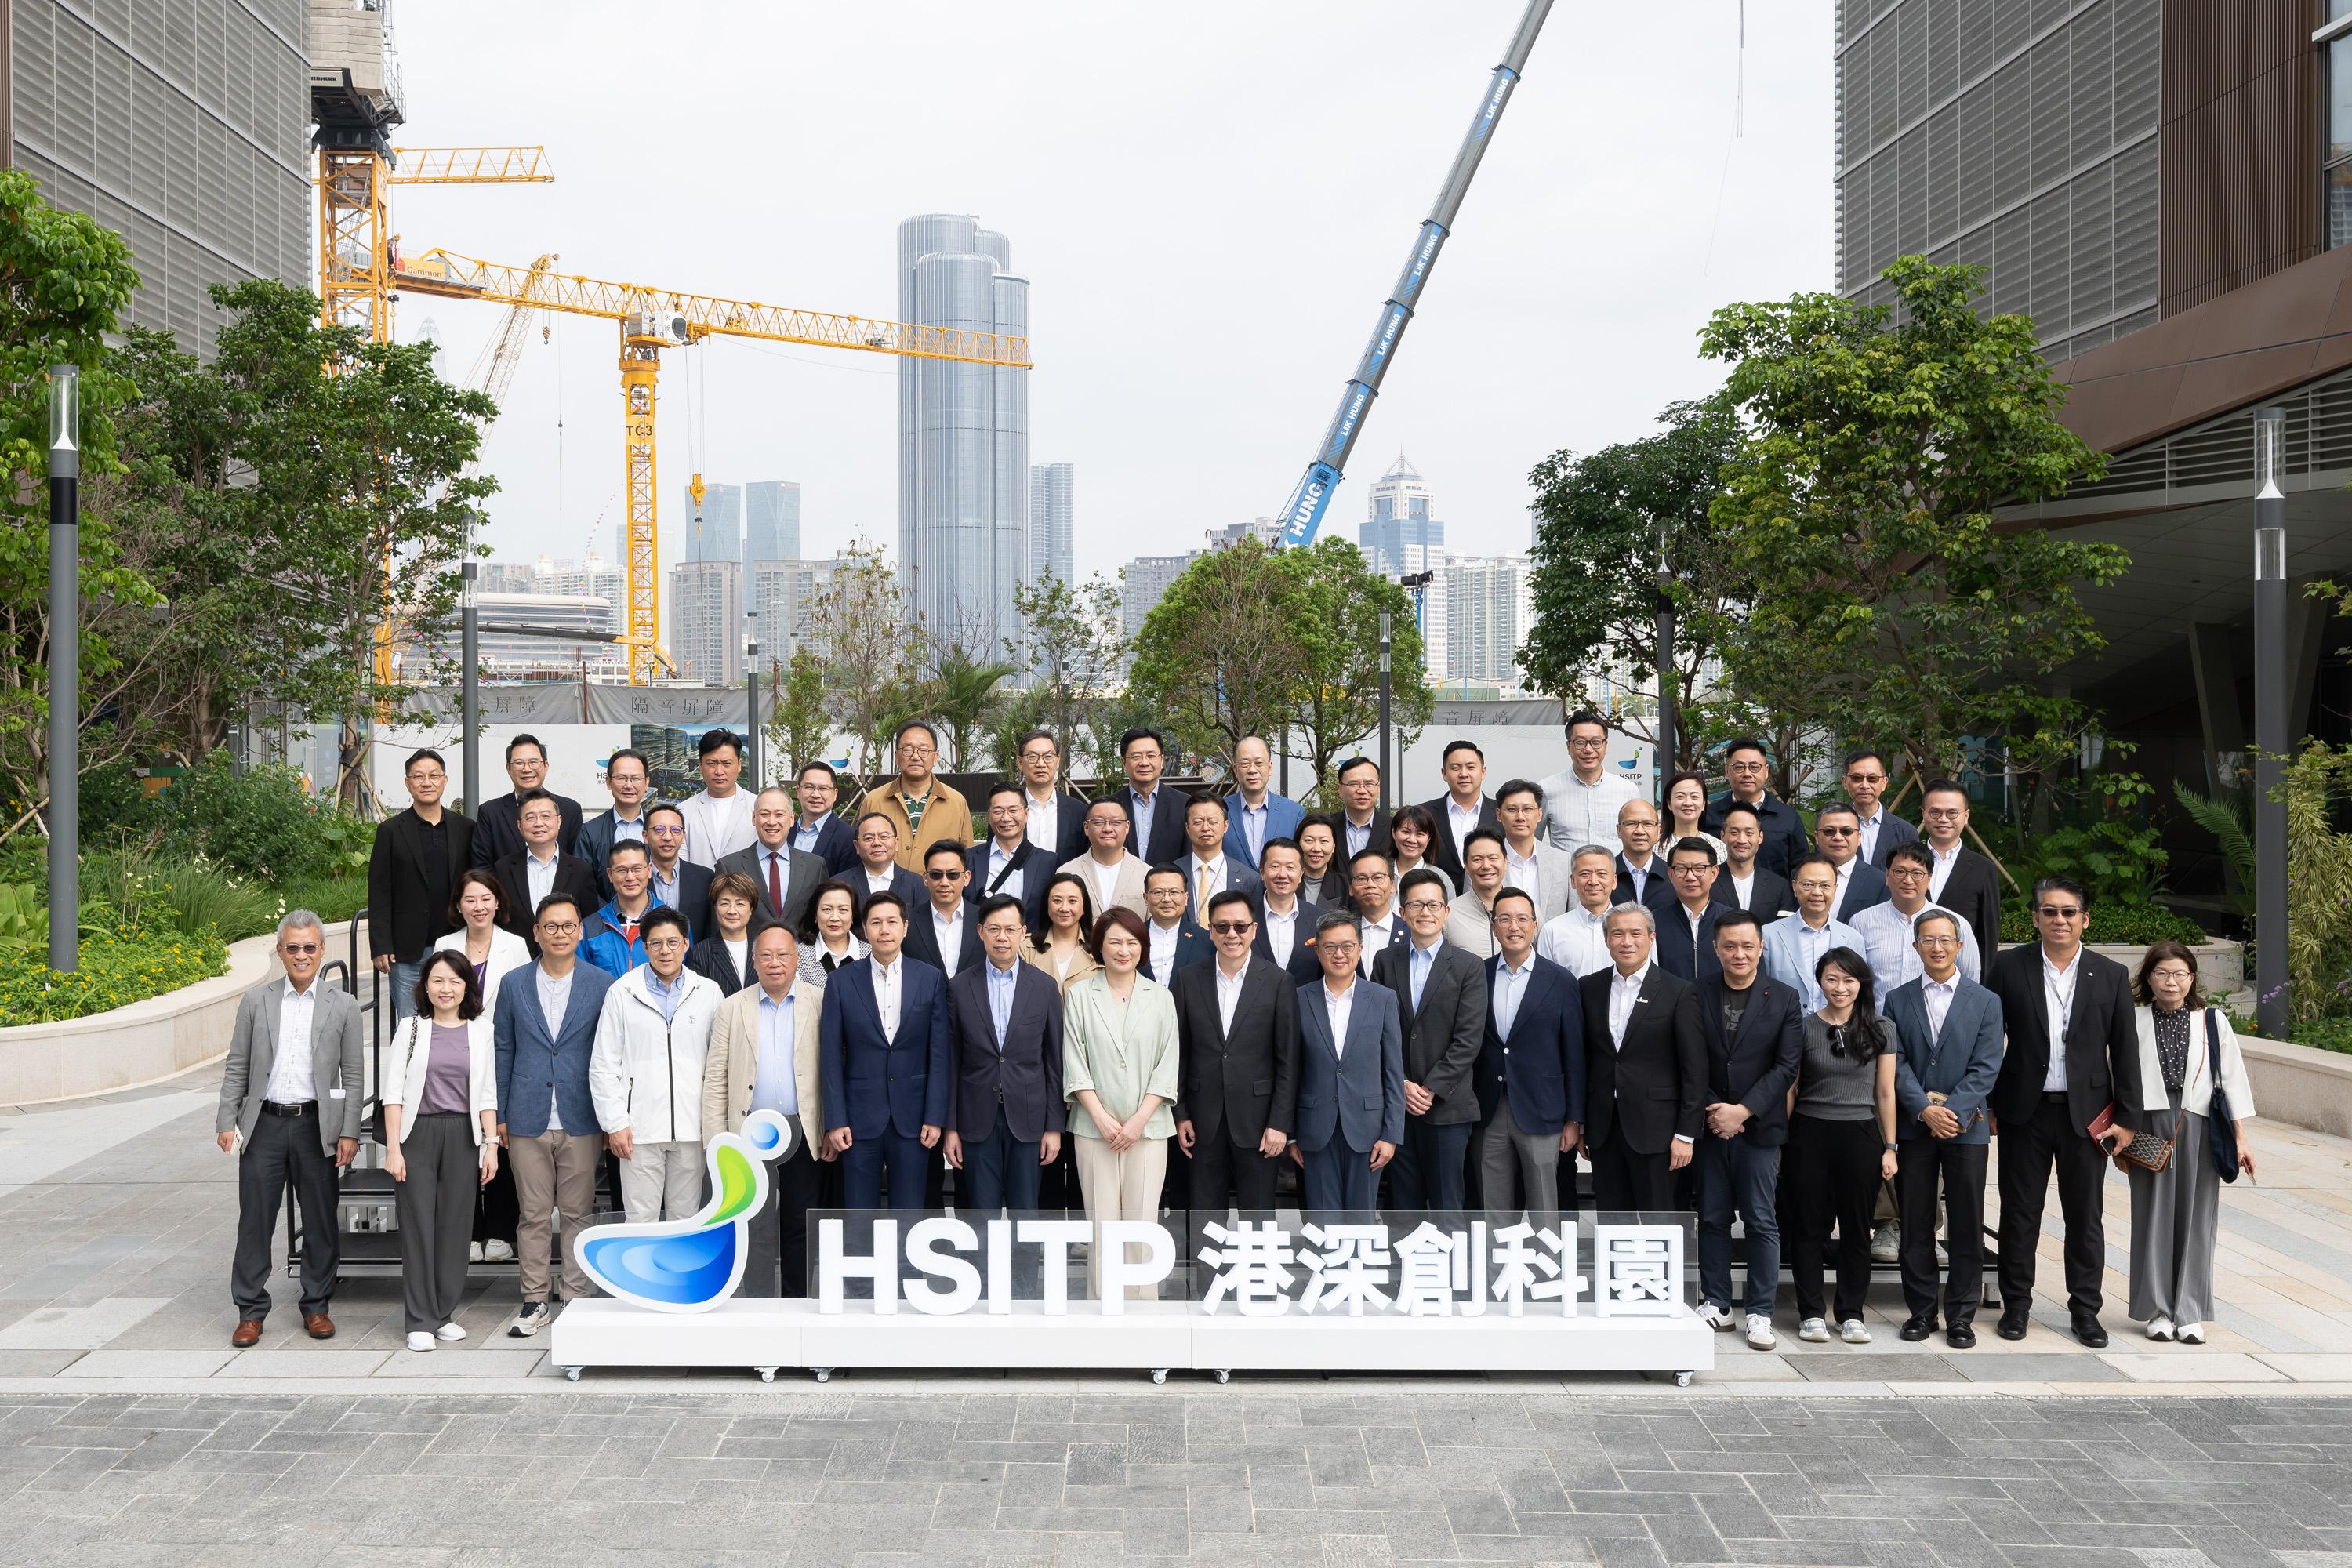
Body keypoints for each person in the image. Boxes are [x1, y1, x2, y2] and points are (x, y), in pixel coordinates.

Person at [1987, 873, 2141, 1347]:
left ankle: (2085, 1311)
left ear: (2084, 920)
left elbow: (2126, 1049)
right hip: (2023, 1110)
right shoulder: (2008, 967)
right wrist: (1989, 1103)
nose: (2059, 919)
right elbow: (1990, 1040)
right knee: (2019, 1213)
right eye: (2049, 911)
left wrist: (2128, 1119)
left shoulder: (2110, 974)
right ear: (2035, 918)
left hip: (2087, 1116)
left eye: (2068, 912)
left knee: (2084, 1215)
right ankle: (2016, 1307)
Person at [217, 911, 363, 1348]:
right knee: (255, 1221)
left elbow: (353, 1074)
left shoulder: (345, 1005)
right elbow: (237, 1066)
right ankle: (250, 1310)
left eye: (310, 947)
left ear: (323, 951)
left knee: (320, 1220)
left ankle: (316, 1305)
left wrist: (350, 1131)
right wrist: (227, 1121)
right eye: (293, 947)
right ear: (279, 951)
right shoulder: (255, 1002)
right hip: (263, 1126)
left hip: (316, 1127)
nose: (301, 955)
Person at [492, 891, 615, 1338]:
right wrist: (501, 1113)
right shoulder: (513, 983)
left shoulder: (602, 984)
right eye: (551, 926)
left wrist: (608, 1116)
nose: (560, 934)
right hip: (527, 1116)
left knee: (580, 1212)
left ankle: (577, 1297)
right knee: (534, 1213)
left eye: (568, 926)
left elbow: (610, 1054)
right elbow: (502, 1047)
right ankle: (534, 1299)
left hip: (582, 1115)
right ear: (536, 933)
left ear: (580, 932)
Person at [2125, 941, 2257, 1345]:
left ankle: (2188, 1311)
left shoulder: (2212, 1021)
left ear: (2192, 978)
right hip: (2147, 1122)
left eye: (2181, 973)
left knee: (2198, 1216)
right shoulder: (2133, 1020)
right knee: (2152, 1215)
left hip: (2199, 1123)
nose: (2172, 981)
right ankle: (2158, 1311)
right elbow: (2118, 1077)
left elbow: (2230, 1081)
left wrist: (2241, 1139)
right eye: (2163, 973)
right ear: (2149, 977)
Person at [1886, 909, 2003, 1348]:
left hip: (1967, 1128)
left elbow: (1988, 1065)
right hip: (1916, 1128)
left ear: (1959, 946)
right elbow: (1894, 1062)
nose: (1937, 947)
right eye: (1927, 940)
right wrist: (1923, 1109)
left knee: (1967, 1221)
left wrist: (1951, 1111)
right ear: (1915, 947)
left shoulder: (1986, 1000)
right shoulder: (1897, 999)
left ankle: (1961, 1315)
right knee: (1915, 1221)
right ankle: (1920, 1311)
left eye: (1945, 940)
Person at [1691, 910, 1803, 1352]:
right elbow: (1688, 1059)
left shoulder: (1785, 998)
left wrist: (1743, 1111)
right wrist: (1715, 1110)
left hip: (1758, 1130)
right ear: (1716, 949)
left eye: (1747, 945)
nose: (1739, 954)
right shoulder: (1695, 993)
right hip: (1709, 1126)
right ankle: (1717, 1303)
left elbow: (1786, 1066)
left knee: (1761, 1221)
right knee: (1713, 1218)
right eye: (1729, 946)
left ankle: (1759, 1312)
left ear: (1761, 947)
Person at [381, 952, 500, 1352]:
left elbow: (487, 1093)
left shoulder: (482, 1030)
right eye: (437, 981)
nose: (445, 989)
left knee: (454, 1228)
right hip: (418, 1134)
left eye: (453, 981)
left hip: (463, 1136)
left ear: (466, 985)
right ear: (425, 987)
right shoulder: (411, 1027)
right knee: (418, 1229)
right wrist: (394, 1149)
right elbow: (393, 1092)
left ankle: (442, 1313)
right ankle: (418, 1319)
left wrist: (491, 1146)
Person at [701, 924, 826, 1297]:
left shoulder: (820, 1001)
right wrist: (716, 1141)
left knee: (799, 1222)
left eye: (783, 955)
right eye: (766, 955)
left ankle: (796, 1302)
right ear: (754, 961)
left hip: (802, 1130)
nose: (775, 963)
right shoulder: (732, 1007)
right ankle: (755, 1304)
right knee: (753, 1223)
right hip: (748, 1134)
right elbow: (716, 1079)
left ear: (797, 959)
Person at [1784, 946, 1899, 1346]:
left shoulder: (1881, 1028)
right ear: (1820, 981)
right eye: (1832, 978)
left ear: (1861, 983)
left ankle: (1851, 1313)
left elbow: (1886, 1092)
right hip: (1809, 1134)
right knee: (1809, 1227)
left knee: (1855, 1229)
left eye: (1849, 979)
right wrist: (1783, 1142)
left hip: (1861, 1135)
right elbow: (1791, 1089)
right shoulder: (1802, 1026)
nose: (1840, 987)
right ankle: (1811, 1312)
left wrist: (1890, 1146)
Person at [1062, 907, 1181, 1294]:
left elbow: (1168, 1064)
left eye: (1132, 941)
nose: (1123, 949)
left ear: (1142, 948)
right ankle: (1105, 1313)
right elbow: (1074, 1059)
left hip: (1147, 1130)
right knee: (1102, 1224)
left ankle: (1146, 1313)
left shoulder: (1161, 997)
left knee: (1143, 1223)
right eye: (1114, 941)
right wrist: (1100, 1116)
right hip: (1093, 1128)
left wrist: (1136, 1121)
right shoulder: (1080, 995)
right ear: (1099, 946)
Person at [818, 891, 949, 1209]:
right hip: (858, 1119)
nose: (884, 930)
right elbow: (831, 1056)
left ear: (905, 928)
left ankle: (905, 1263)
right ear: (864, 929)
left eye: (892, 922)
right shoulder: (840, 981)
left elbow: (939, 1053)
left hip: (914, 1118)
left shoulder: (930, 979)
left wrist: (935, 1116)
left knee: (909, 1214)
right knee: (859, 1216)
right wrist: (835, 1120)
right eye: (876, 923)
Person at [590, 906, 722, 1222]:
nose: (666, 951)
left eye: (673, 942)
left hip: (693, 1130)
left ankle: (680, 1276)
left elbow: (719, 1066)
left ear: (687, 944)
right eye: (657, 943)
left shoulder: (708, 992)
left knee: (686, 1221)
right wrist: (615, 1124)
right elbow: (604, 1064)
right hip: (639, 1131)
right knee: (640, 1222)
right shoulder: (622, 992)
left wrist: (714, 1125)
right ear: (644, 946)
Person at [1174, 890, 1300, 1213]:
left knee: (1258, 1214)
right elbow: (1180, 1053)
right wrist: (1181, 1113)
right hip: (1203, 1118)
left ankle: (1255, 1267)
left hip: (1260, 1122)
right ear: (1211, 930)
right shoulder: (1188, 979)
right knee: (1204, 1212)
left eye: (1241, 927)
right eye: (1223, 926)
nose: (1232, 934)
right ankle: (1207, 1268)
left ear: (1254, 930)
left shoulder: (1278, 982)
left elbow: (1288, 1061)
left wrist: (1280, 1123)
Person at [944, 895, 1068, 1214]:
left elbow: (1054, 1062)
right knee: (980, 1212)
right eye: (994, 929)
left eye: (1011, 930)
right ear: (980, 931)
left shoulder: (1043, 986)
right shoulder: (959, 987)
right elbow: (951, 1061)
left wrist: (1054, 1127)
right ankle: (982, 1267)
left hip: (1029, 1117)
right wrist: (951, 1128)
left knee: (1025, 1211)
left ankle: (1024, 1269)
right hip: (975, 1117)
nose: (1002, 938)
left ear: (1023, 932)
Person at [1577, 904, 1705, 1213]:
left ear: (1651, 938)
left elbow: (1695, 1069)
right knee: (1611, 1219)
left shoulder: (1678, 991)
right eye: (1617, 933)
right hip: (1605, 1127)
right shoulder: (1588, 987)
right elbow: (1585, 1060)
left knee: (1658, 1220)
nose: (1627, 941)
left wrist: (1686, 1134)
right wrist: (1582, 1125)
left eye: (1636, 933)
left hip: (1658, 1131)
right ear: (1606, 939)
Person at [1374, 869, 1489, 1214]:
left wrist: (1430, 1089)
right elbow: (1380, 1031)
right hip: (1399, 1106)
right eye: (1416, 904)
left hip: (1448, 1107)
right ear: (1403, 911)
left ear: (1446, 911)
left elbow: (1468, 1040)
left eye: (1434, 904)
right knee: (1402, 1203)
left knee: (1447, 1204)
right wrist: (1403, 1084)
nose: (1426, 912)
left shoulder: (1469, 966)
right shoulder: (1385, 961)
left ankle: (1450, 1267)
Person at [434, 868, 531, 1265]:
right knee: (463, 1142)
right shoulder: (444, 943)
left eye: (486, 898)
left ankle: (501, 1230)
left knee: (500, 1139)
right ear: (459, 905)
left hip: (501, 1054)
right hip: (455, 1056)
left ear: (498, 902)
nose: (479, 906)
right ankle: (469, 1230)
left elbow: (525, 1002)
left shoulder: (517, 945)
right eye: (470, 899)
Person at [1472, 890, 1584, 1229]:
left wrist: (1574, 1119)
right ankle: (1495, 1278)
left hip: (1542, 1109)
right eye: (1504, 918)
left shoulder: (1560, 980)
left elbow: (1574, 1053)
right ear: (1494, 927)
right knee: (1493, 1206)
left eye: (1522, 918)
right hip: (1489, 1108)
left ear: (1535, 925)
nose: (1513, 926)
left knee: (1544, 1207)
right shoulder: (1479, 974)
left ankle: (1546, 1277)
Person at [1292, 911, 1404, 1216]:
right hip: (1315, 1128)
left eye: (1347, 946)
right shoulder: (1298, 998)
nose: (1338, 954)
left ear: (1360, 949)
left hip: (1368, 1130)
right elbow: (1290, 1071)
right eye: (1329, 947)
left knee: (1361, 1221)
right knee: (1321, 1221)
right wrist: (1290, 1133)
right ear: (1317, 951)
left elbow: (1393, 1071)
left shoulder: (1382, 998)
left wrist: (1391, 1134)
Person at [371, 747, 474, 1023]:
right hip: (406, 952)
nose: (426, 782)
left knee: (456, 1021)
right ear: (408, 782)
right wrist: (381, 944)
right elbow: (380, 891)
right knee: (409, 1026)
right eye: (418, 776)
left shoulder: (465, 828)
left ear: (445, 780)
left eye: (433, 775)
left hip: (455, 943)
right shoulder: (391, 831)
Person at [1849, 842, 1984, 995]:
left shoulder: (1956, 923)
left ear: (1929, 879)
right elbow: (1853, 978)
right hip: (1880, 1018)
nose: (1908, 880)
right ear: (1887, 876)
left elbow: (1970, 980)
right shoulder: (1861, 922)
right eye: (1900, 872)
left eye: (1917, 873)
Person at [492, 788, 599, 952]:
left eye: (545, 816)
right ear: (519, 826)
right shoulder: (503, 869)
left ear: (559, 821)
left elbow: (589, 921)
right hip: (515, 961)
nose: (538, 823)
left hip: (566, 962)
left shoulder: (580, 870)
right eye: (530, 818)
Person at [713, 785, 827, 934]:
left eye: (779, 814)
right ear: (754, 818)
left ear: (792, 818)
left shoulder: (815, 866)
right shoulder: (729, 866)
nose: (772, 822)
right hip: (748, 955)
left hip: (802, 954)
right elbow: (718, 926)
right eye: (765, 814)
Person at [1761, 856, 1868, 1014]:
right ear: (1795, 887)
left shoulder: (1853, 938)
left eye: (1825, 885)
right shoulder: (1769, 935)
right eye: (1808, 885)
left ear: (1835, 889)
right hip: (1785, 1030)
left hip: (1836, 1032)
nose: (1817, 892)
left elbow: (1860, 993)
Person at [865, 719, 972, 871]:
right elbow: (861, 851)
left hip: (937, 892)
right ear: (897, 756)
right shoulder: (873, 800)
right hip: (885, 894)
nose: (915, 756)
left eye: (923, 750)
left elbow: (967, 857)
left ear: (935, 757)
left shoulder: (957, 802)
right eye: (907, 750)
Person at [1699, 738, 1811, 878]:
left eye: (1754, 767)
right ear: (1727, 771)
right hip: (1721, 899)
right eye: (1739, 767)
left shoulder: (1788, 817)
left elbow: (1800, 868)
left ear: (1766, 771)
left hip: (1775, 899)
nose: (1747, 774)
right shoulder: (1709, 816)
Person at [470, 734, 584, 868]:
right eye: (519, 763)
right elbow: (481, 866)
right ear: (508, 768)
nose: (527, 769)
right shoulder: (490, 812)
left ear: (546, 766)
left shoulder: (570, 809)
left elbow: (577, 865)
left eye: (533, 762)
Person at [1918, 779, 2002, 956]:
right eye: (1935, 813)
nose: (1943, 819)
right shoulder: (1907, 863)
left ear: (1966, 816)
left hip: (1962, 974)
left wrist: (1983, 982)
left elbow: (1988, 933)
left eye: (1952, 813)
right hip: (1909, 972)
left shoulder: (1984, 869)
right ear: (1924, 814)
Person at [1538, 708, 1639, 851]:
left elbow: (1636, 840)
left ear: (1605, 746)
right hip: (1565, 874)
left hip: (1614, 874)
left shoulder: (1627, 790)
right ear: (1568, 746)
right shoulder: (1546, 789)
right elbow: (1533, 841)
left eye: (1596, 742)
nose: (1588, 750)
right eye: (1580, 742)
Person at [970, 780, 1052, 929]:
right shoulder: (969, 859)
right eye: (998, 811)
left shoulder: (1048, 862)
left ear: (1026, 813)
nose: (1006, 818)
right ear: (989, 815)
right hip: (980, 947)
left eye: (1013, 810)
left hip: (1029, 948)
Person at [576, 747, 655, 898]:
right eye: (621, 778)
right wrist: (608, 915)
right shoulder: (590, 832)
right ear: (608, 782)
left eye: (635, 778)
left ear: (646, 783)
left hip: (653, 918)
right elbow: (583, 885)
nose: (629, 785)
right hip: (606, 918)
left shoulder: (658, 830)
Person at [1421, 739, 1499, 887]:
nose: (1463, 774)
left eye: (1470, 767)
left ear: (1483, 772)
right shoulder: (1425, 814)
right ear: (1444, 774)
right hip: (1436, 903)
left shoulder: (1501, 814)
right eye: (1456, 768)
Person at [1221, 734, 1305, 872]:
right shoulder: (1220, 810)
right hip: (1233, 892)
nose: (1252, 770)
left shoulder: (1294, 813)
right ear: (1236, 770)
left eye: (1259, 763)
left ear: (1270, 767)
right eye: (1245, 764)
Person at [1537, 844, 1621, 978]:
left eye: (1601, 874)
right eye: (1585, 874)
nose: (1593, 881)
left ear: (1614, 881)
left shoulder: (1632, 929)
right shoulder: (1552, 931)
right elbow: (1543, 982)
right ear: (1573, 881)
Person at [677, 728, 757, 869]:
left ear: (739, 765)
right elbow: (681, 865)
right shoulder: (683, 811)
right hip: (699, 890)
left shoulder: (756, 807)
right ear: (700, 764)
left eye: (727, 764)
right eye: (711, 764)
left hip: (746, 890)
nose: (719, 772)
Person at [1497, 779, 1573, 922]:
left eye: (1527, 809)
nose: (1520, 817)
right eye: (1512, 810)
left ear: (1539, 814)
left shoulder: (1563, 861)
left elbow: (1574, 914)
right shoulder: (1485, 861)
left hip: (1553, 943)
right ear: (1499, 815)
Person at [579, 840, 660, 976]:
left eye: (637, 869)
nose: (630, 877)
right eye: (622, 870)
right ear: (610, 874)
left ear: (649, 870)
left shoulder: (673, 921)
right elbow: (583, 980)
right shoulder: (589, 928)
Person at [904, 840, 983, 979]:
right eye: (936, 875)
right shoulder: (907, 922)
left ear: (966, 878)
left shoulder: (985, 919)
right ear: (925, 878)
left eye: (953, 875)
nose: (944, 882)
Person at [1653, 837, 1728, 983]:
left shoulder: (1733, 922)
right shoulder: (1653, 923)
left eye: (1699, 869)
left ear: (1714, 873)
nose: (1690, 877)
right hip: (1670, 1005)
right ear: (1670, 874)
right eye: (1681, 869)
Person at [1014, 728, 1091, 867]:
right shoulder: (1006, 811)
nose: (1041, 764)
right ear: (1020, 762)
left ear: (1057, 760)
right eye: (1032, 757)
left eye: (1048, 757)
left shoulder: (1079, 812)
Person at [1062, 796, 1149, 918]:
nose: (1108, 829)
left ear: (1127, 827)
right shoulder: (1067, 872)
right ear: (1086, 828)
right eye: (1098, 822)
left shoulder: (1146, 873)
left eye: (1116, 822)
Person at [1181, 793, 1263, 922]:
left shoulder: (1249, 879)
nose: (1205, 828)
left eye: (1212, 822)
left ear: (1225, 826)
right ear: (1187, 828)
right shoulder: (1174, 872)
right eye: (1198, 822)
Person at [1708, 802, 1793, 921]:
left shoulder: (1779, 886)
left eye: (1749, 833)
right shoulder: (1707, 881)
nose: (1742, 840)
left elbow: (1785, 931)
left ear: (1760, 837)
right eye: (1734, 832)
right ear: (1723, 836)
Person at [1254, 837, 1322, 983]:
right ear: (1262, 872)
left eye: (1290, 867)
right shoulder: (1244, 918)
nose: (1282, 874)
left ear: (1301, 874)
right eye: (1275, 866)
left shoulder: (1321, 919)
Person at [1116, 727, 1188, 865]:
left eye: (1151, 756)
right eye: (1136, 756)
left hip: (1170, 885)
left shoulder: (1184, 804)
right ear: (1124, 762)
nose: (1144, 763)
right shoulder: (1111, 806)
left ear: (1162, 761)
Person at [1022, 872, 1102, 993]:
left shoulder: (1100, 949)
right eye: (1057, 900)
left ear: (1084, 908)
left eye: (1072, 901)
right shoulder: (1025, 948)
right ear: (1047, 905)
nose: (1064, 908)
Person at [686, 871, 761, 995]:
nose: (732, 911)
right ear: (715, 908)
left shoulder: (765, 948)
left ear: (751, 909)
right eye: (725, 904)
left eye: (740, 904)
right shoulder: (700, 953)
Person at [1813, 804, 1890, 924]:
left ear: (1859, 837)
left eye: (1847, 831)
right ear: (1817, 837)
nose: (1838, 837)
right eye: (1829, 831)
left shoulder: (1880, 882)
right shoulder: (1799, 876)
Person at [1842, 747, 1918, 868]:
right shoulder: (1831, 831)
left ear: (1884, 783)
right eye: (1857, 778)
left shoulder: (1905, 832)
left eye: (1872, 779)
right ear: (1845, 782)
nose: (1864, 785)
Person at [643, 803, 713, 931]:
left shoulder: (705, 878)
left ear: (683, 836)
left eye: (675, 830)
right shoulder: (634, 879)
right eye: (659, 830)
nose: (667, 837)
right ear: (645, 836)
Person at [1140, 862, 1211, 986]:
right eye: (1158, 892)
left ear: (1186, 898)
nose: (1167, 899)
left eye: (1174, 892)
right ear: (1146, 899)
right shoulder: (1132, 936)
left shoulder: (1206, 940)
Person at [1443, 828, 1510, 960]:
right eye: (1477, 859)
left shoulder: (1527, 910)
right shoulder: (1448, 914)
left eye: (1493, 858)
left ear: (1506, 861)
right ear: (1466, 865)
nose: (1486, 866)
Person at [789, 760, 858, 874]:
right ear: (798, 791)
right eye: (809, 787)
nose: (816, 795)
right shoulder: (785, 831)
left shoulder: (848, 837)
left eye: (823, 788)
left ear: (835, 794)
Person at [848, 811, 926, 911]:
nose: (876, 843)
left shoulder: (918, 884)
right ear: (857, 846)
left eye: (884, 837)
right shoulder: (841, 883)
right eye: (868, 838)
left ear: (896, 843)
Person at [1320, 757, 1392, 863]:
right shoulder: (1325, 826)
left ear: (1378, 788)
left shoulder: (1394, 828)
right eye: (1353, 784)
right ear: (1340, 789)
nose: (1362, 791)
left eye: (1369, 784)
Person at [1344, 849, 1406, 975]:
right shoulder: (1341, 933)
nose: (1370, 884)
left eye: (1378, 878)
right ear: (1351, 888)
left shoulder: (1411, 933)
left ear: (1392, 885)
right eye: (1361, 878)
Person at [797, 880, 868, 986]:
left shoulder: (871, 955)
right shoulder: (799, 955)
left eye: (843, 910)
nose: (834, 918)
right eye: (827, 909)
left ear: (853, 916)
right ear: (815, 915)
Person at [1612, 799, 1674, 920]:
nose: (1640, 831)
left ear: (1658, 830)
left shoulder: (1673, 876)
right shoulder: (1605, 876)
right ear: (1619, 830)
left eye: (1648, 824)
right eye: (1631, 824)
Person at [1386, 803, 1456, 895]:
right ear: (1394, 832)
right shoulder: (1380, 872)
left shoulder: (1440, 878)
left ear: (1429, 839)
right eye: (1406, 832)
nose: (1412, 840)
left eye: (1420, 834)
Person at [1662, 771, 1726, 867]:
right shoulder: (1655, 847)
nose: (1688, 803)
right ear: (1669, 804)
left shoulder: (1718, 847)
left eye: (1694, 797)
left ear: (1704, 804)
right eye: (1680, 797)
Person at [1296, 818, 1346, 907]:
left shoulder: (1345, 886)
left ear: (1334, 846)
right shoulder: (1284, 881)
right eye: (1309, 840)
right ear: (1298, 844)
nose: (1316, 848)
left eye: (1324, 841)